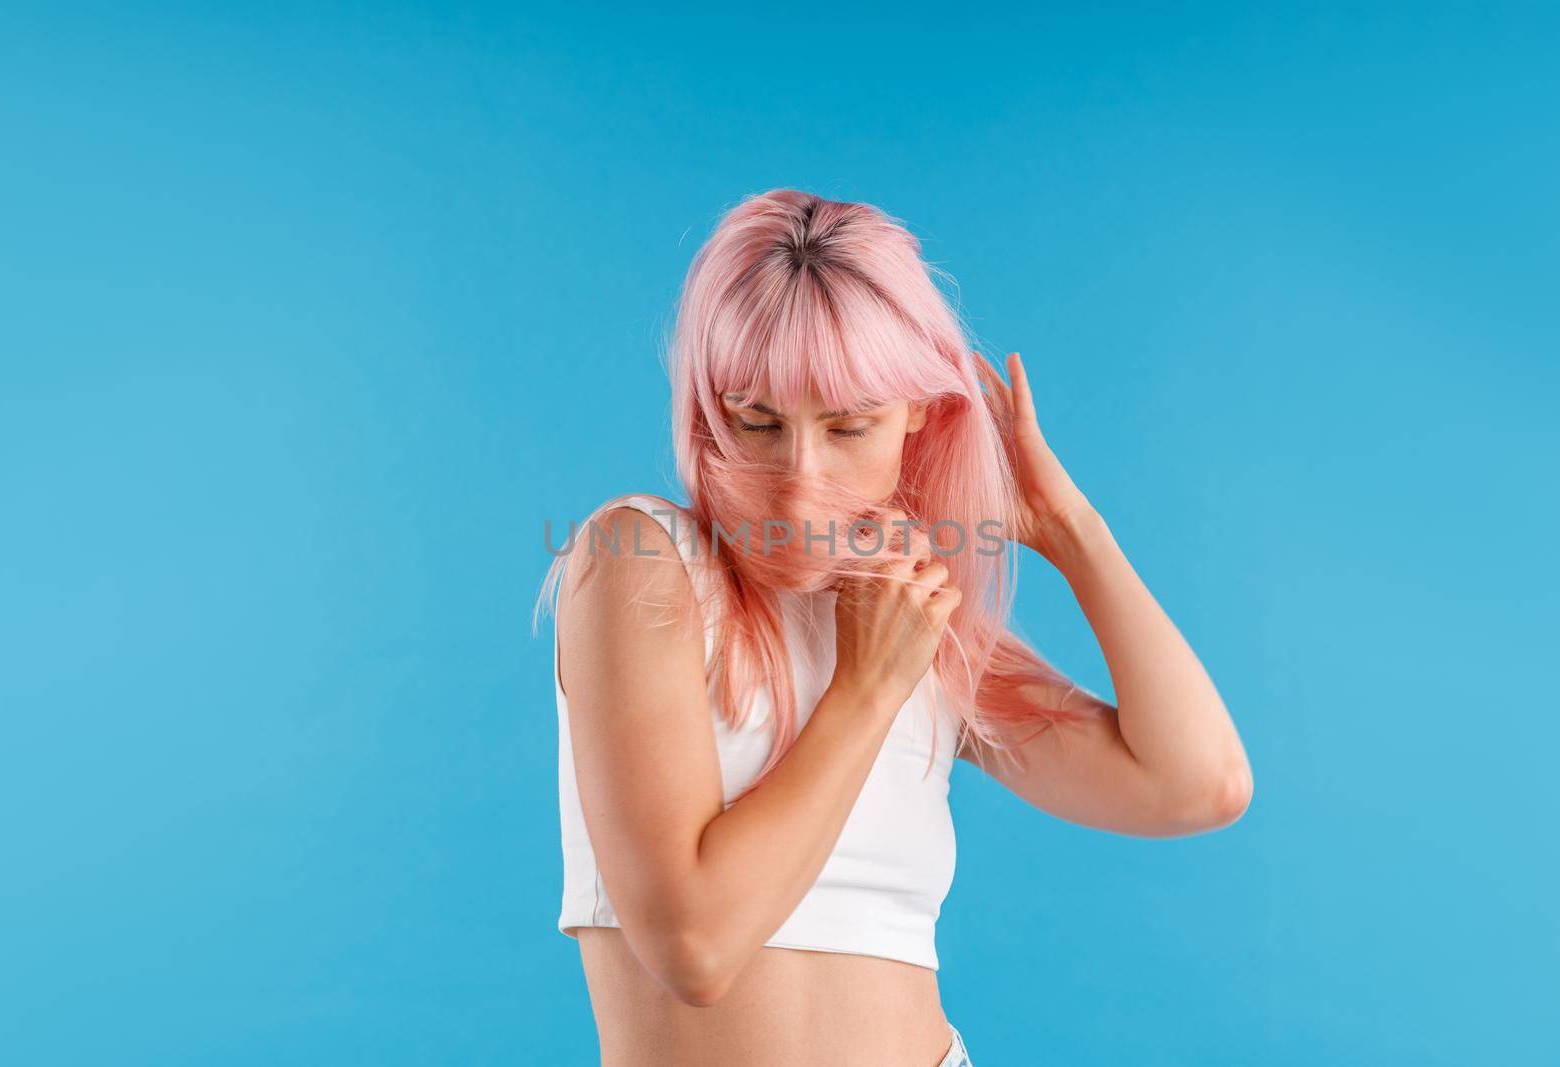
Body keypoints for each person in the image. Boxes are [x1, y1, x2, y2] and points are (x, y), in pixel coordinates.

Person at [537, 188, 1253, 1065]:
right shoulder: (643, 561)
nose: (801, 480)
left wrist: (1068, 528)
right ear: (706, 409)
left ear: (920, 410)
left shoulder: (910, 615)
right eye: (757, 422)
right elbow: (695, 946)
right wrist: (866, 689)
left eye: (849, 426)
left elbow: (1198, 784)